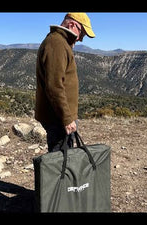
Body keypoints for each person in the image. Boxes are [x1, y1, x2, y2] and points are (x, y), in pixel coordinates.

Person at [35, 12, 95, 152]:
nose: (81, 39)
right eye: (82, 34)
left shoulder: (59, 42)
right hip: (58, 118)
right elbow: (54, 86)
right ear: (72, 25)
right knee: (60, 160)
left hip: (59, 116)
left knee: (62, 158)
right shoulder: (57, 44)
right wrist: (67, 118)